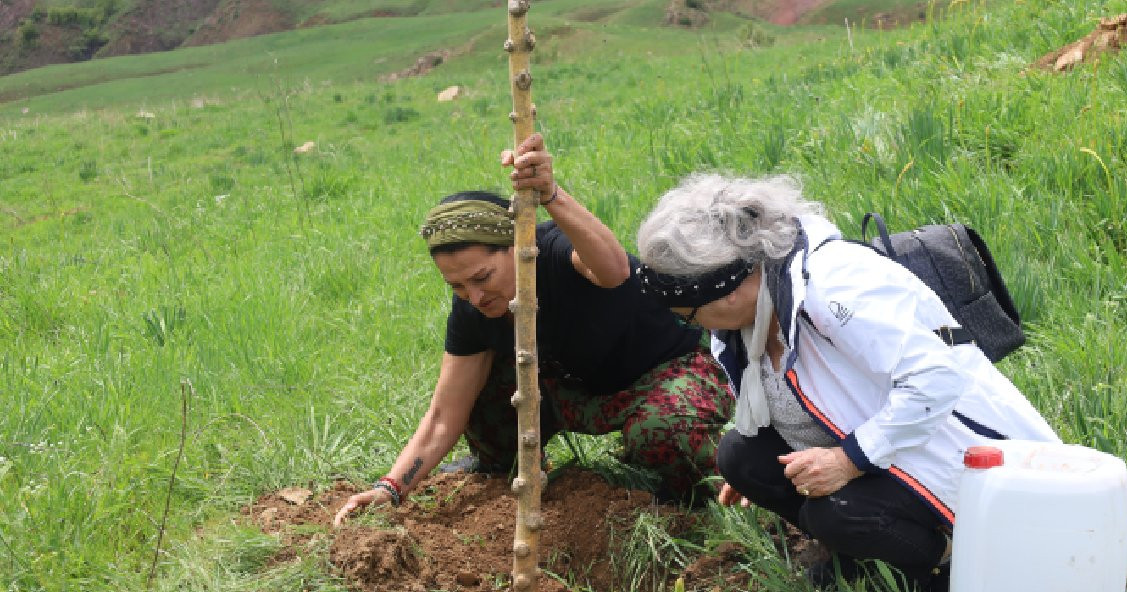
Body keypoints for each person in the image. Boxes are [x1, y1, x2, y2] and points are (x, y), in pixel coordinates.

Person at [633, 174, 1059, 591]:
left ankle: (947, 559)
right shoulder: (749, 315)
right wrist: (761, 472)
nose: (688, 324)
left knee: (835, 515)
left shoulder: (837, 285)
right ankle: (873, 554)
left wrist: (848, 461)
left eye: (686, 313)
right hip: (883, 446)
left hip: (953, 452)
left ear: (723, 292)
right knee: (741, 456)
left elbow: (936, 378)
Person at [333, 134, 732, 526]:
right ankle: (500, 468)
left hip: (665, 372)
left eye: (482, 277)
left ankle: (689, 494)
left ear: (513, 246)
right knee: (479, 387)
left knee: (662, 428)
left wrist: (552, 195)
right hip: (573, 389)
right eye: (456, 286)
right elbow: (443, 414)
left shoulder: (557, 253)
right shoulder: (475, 310)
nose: (472, 296)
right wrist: (390, 488)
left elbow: (615, 271)